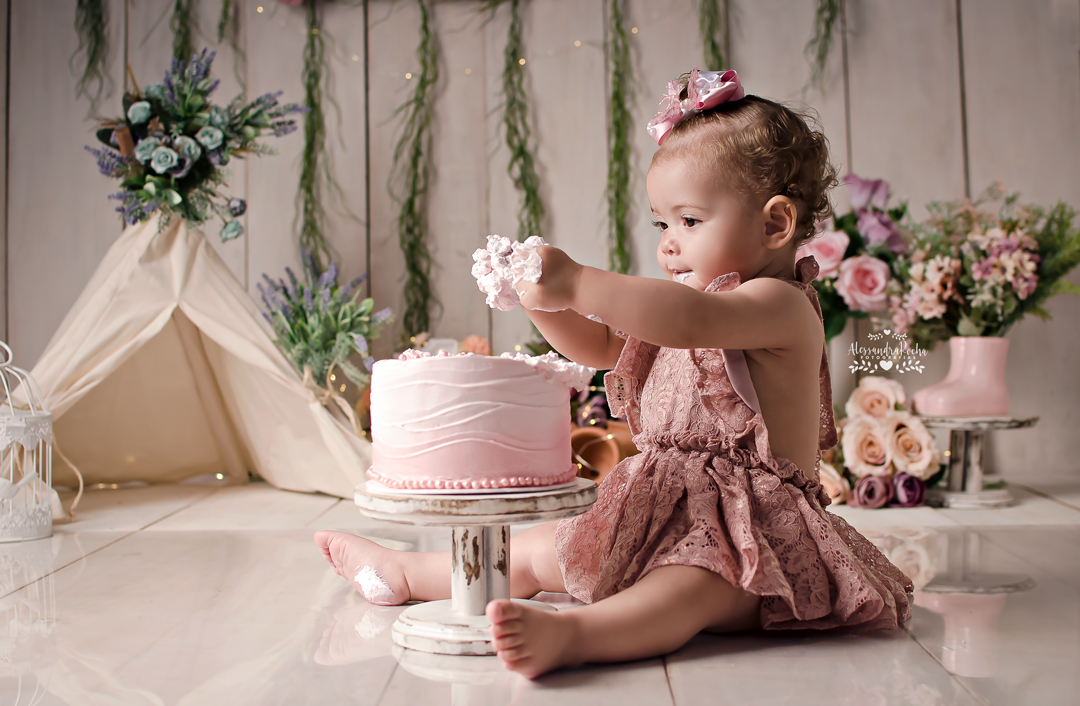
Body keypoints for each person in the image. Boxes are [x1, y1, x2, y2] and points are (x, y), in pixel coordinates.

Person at [315, 68, 913, 679]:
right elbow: (602, 345)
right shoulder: (696, 304)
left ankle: (576, 634)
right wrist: (540, 300)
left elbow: (688, 320)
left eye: (689, 221)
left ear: (775, 224)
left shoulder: (776, 305)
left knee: (692, 586)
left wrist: (578, 279)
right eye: (661, 225)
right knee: (545, 551)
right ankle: (409, 574)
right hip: (663, 507)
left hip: (755, 535)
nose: (669, 245)